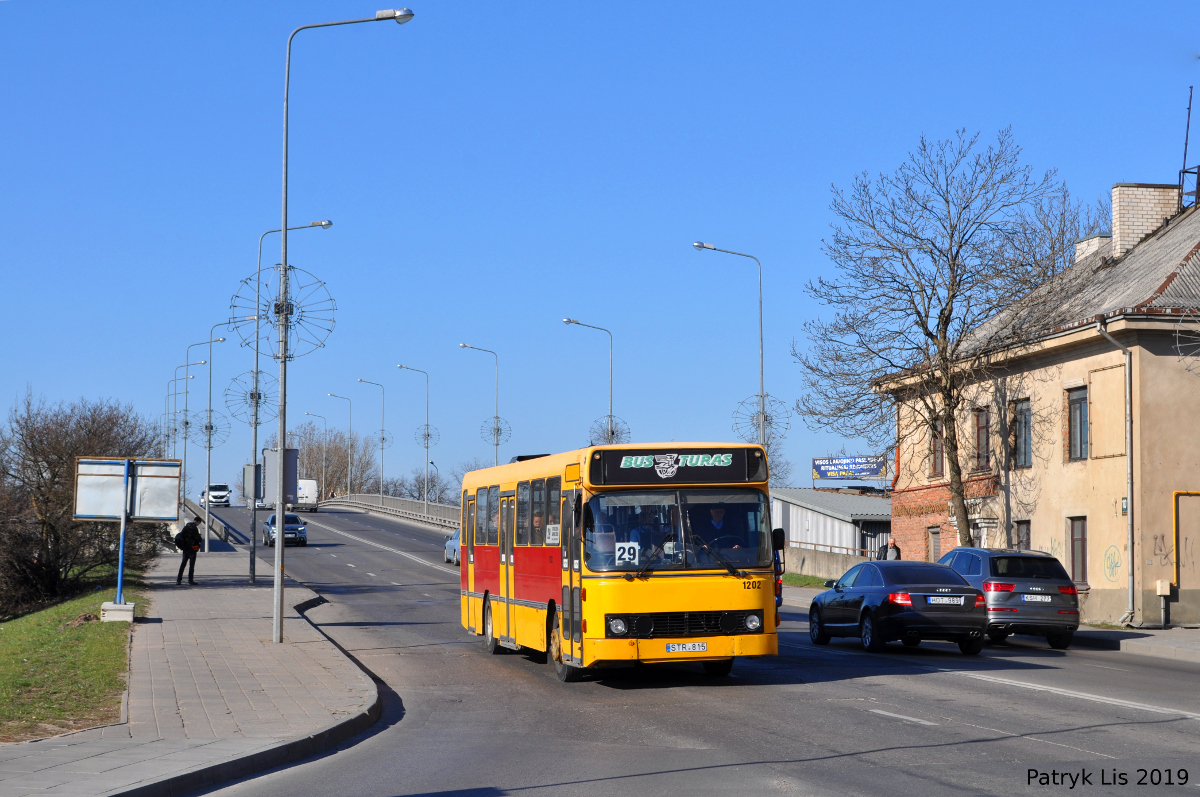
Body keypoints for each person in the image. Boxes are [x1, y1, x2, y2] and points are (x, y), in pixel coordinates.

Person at [175, 516, 203, 585]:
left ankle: (179, 580)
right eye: (199, 523)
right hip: (192, 549)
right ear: (197, 521)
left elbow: (181, 536)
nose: (198, 524)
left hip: (185, 548)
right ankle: (190, 580)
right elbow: (198, 539)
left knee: (183, 564)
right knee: (191, 565)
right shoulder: (194, 528)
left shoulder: (186, 527)